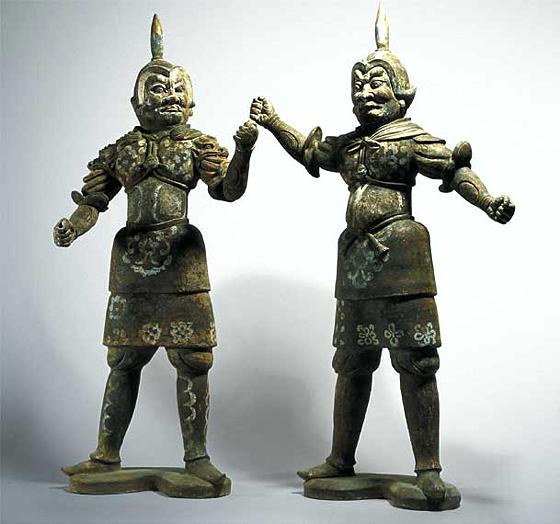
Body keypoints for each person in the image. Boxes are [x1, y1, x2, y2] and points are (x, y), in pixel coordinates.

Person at [249, 1, 514, 504]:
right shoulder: (350, 145)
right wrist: (275, 121)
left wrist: (488, 201)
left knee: (417, 362)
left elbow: (455, 171)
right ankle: (340, 459)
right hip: (356, 263)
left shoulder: (412, 140)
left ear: (402, 94)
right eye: (359, 85)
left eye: (377, 83)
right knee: (351, 362)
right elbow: (312, 151)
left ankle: (428, 469)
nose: (366, 92)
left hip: (402, 258)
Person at [53, 15, 258, 488]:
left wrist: (244, 151)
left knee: (193, 360)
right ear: (136, 102)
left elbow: (227, 191)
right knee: (124, 360)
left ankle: (197, 459)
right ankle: (106, 455)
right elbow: (93, 201)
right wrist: (72, 227)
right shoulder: (121, 150)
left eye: (178, 89)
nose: (169, 96)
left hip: (182, 262)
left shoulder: (196, 146)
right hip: (131, 266)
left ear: (192, 100)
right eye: (158, 88)